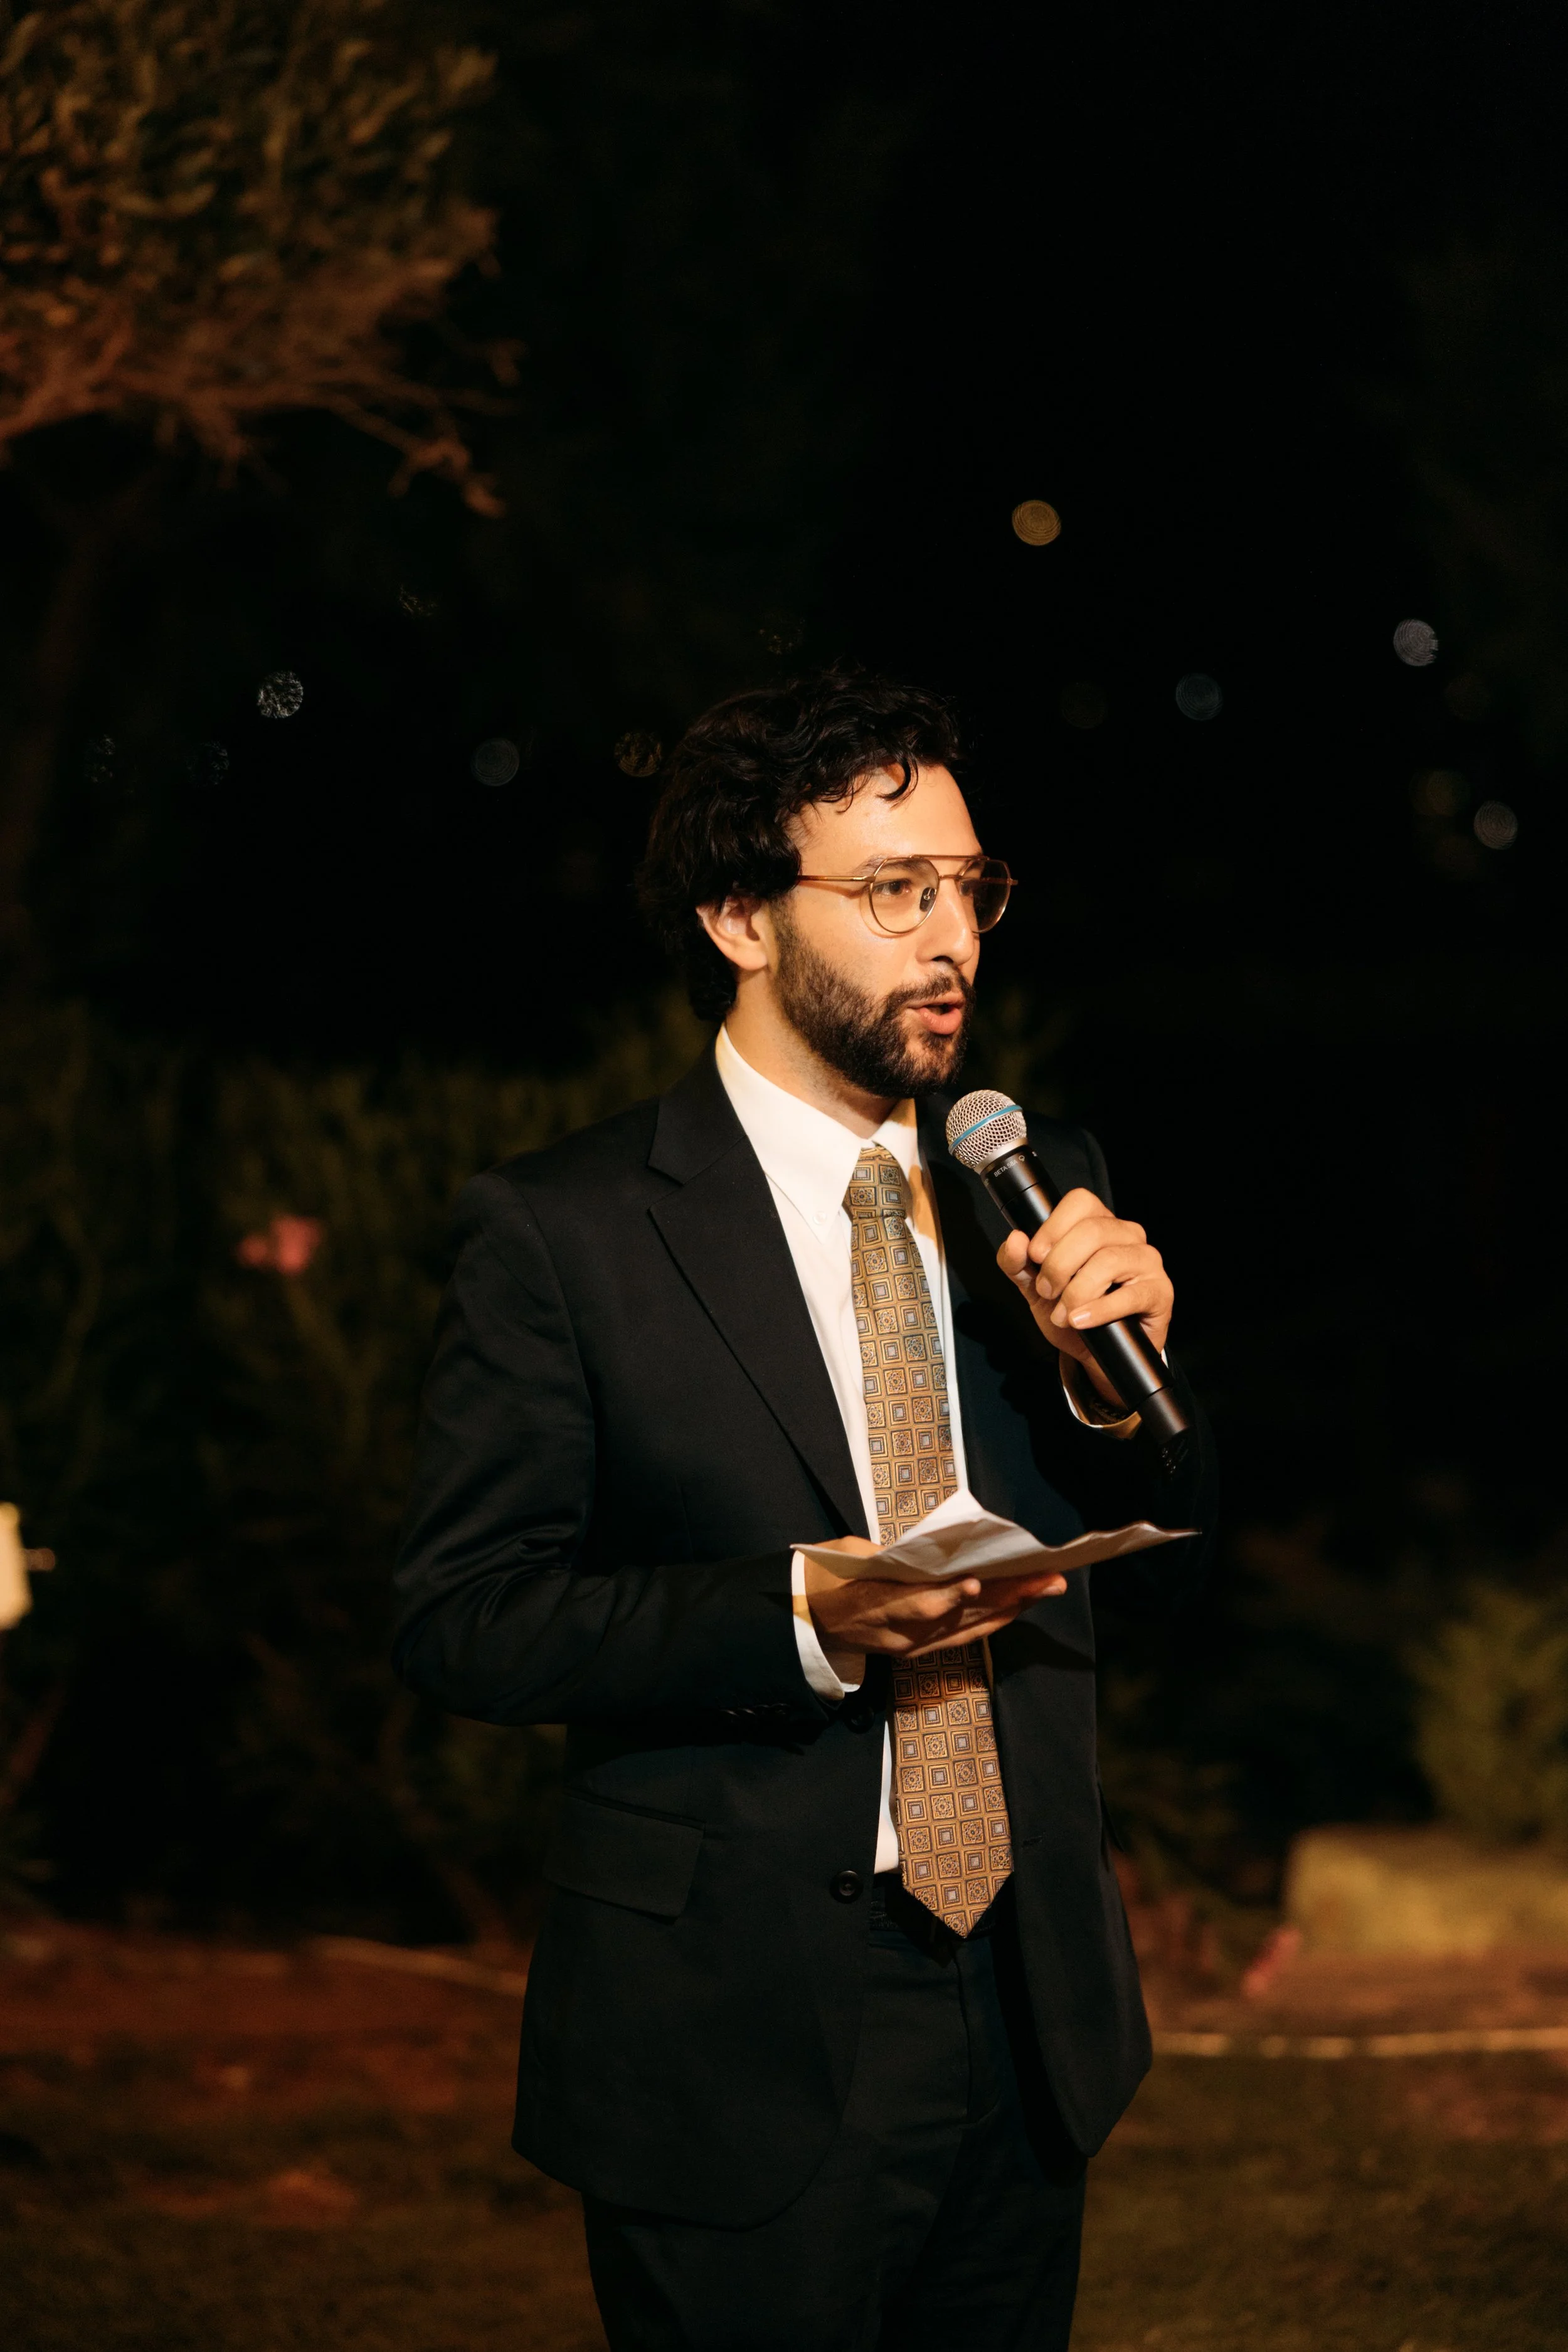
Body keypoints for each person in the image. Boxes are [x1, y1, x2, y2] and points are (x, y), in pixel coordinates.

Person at [393, 667, 1216, 2352]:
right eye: (889, 891)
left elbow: (1177, 1507)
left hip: (1022, 1998)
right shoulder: (567, 1232)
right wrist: (795, 1615)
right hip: (731, 2028)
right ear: (736, 917)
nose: (950, 940)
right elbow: (463, 1612)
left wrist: (1097, 1378)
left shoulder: (1030, 1166)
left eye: (967, 886)